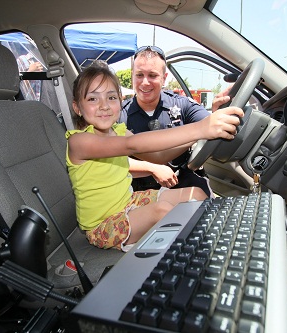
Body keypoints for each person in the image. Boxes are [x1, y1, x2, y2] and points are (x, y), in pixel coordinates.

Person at [66, 61, 243, 251]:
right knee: (163, 211)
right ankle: (205, 254)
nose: (104, 106)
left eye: (111, 97)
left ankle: (220, 240)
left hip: (128, 203)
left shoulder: (119, 131)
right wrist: (200, 128)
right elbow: (131, 145)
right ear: (77, 107)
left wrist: (199, 136)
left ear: (120, 100)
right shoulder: (79, 142)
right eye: (93, 99)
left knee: (196, 194)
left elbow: (158, 156)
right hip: (102, 225)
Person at [119, 46, 232, 197]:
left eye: (152, 75)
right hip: (140, 192)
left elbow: (209, 124)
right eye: (139, 75)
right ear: (133, 75)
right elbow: (112, 161)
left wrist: (218, 111)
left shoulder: (182, 104)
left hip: (184, 181)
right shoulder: (119, 115)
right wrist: (151, 168)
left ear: (164, 78)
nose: (145, 82)